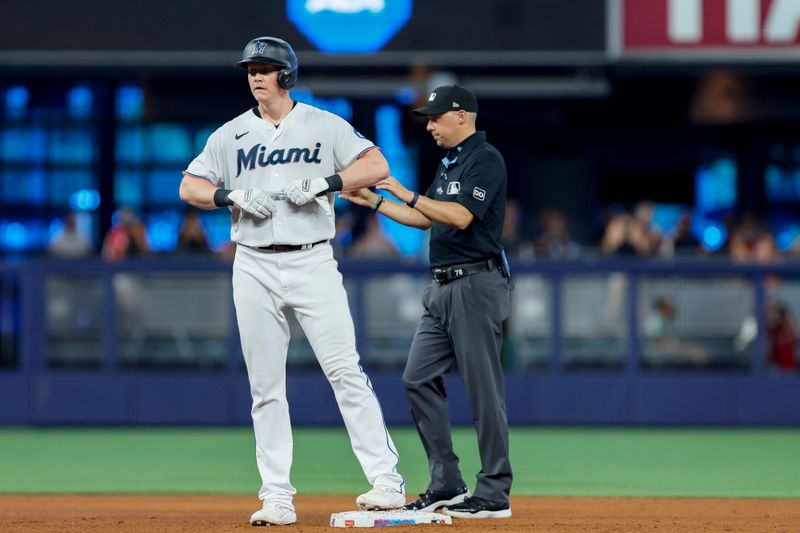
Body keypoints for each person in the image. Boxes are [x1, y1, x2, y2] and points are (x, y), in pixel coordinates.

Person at [177, 36, 405, 526]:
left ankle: (386, 481)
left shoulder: (322, 125)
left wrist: (328, 183)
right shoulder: (230, 134)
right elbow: (189, 185)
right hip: (253, 263)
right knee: (265, 386)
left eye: (265, 68)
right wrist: (228, 196)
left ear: (287, 74)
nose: (256, 76)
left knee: (345, 370)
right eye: (250, 69)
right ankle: (277, 496)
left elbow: (377, 164)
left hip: (312, 259)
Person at [341, 84, 513, 519]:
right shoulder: (449, 163)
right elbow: (424, 220)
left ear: (462, 116)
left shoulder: (485, 160)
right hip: (440, 288)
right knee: (416, 378)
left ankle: (493, 492)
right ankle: (446, 483)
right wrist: (375, 201)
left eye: (437, 117)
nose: (430, 125)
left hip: (476, 283)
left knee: (483, 391)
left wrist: (405, 192)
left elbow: (459, 216)